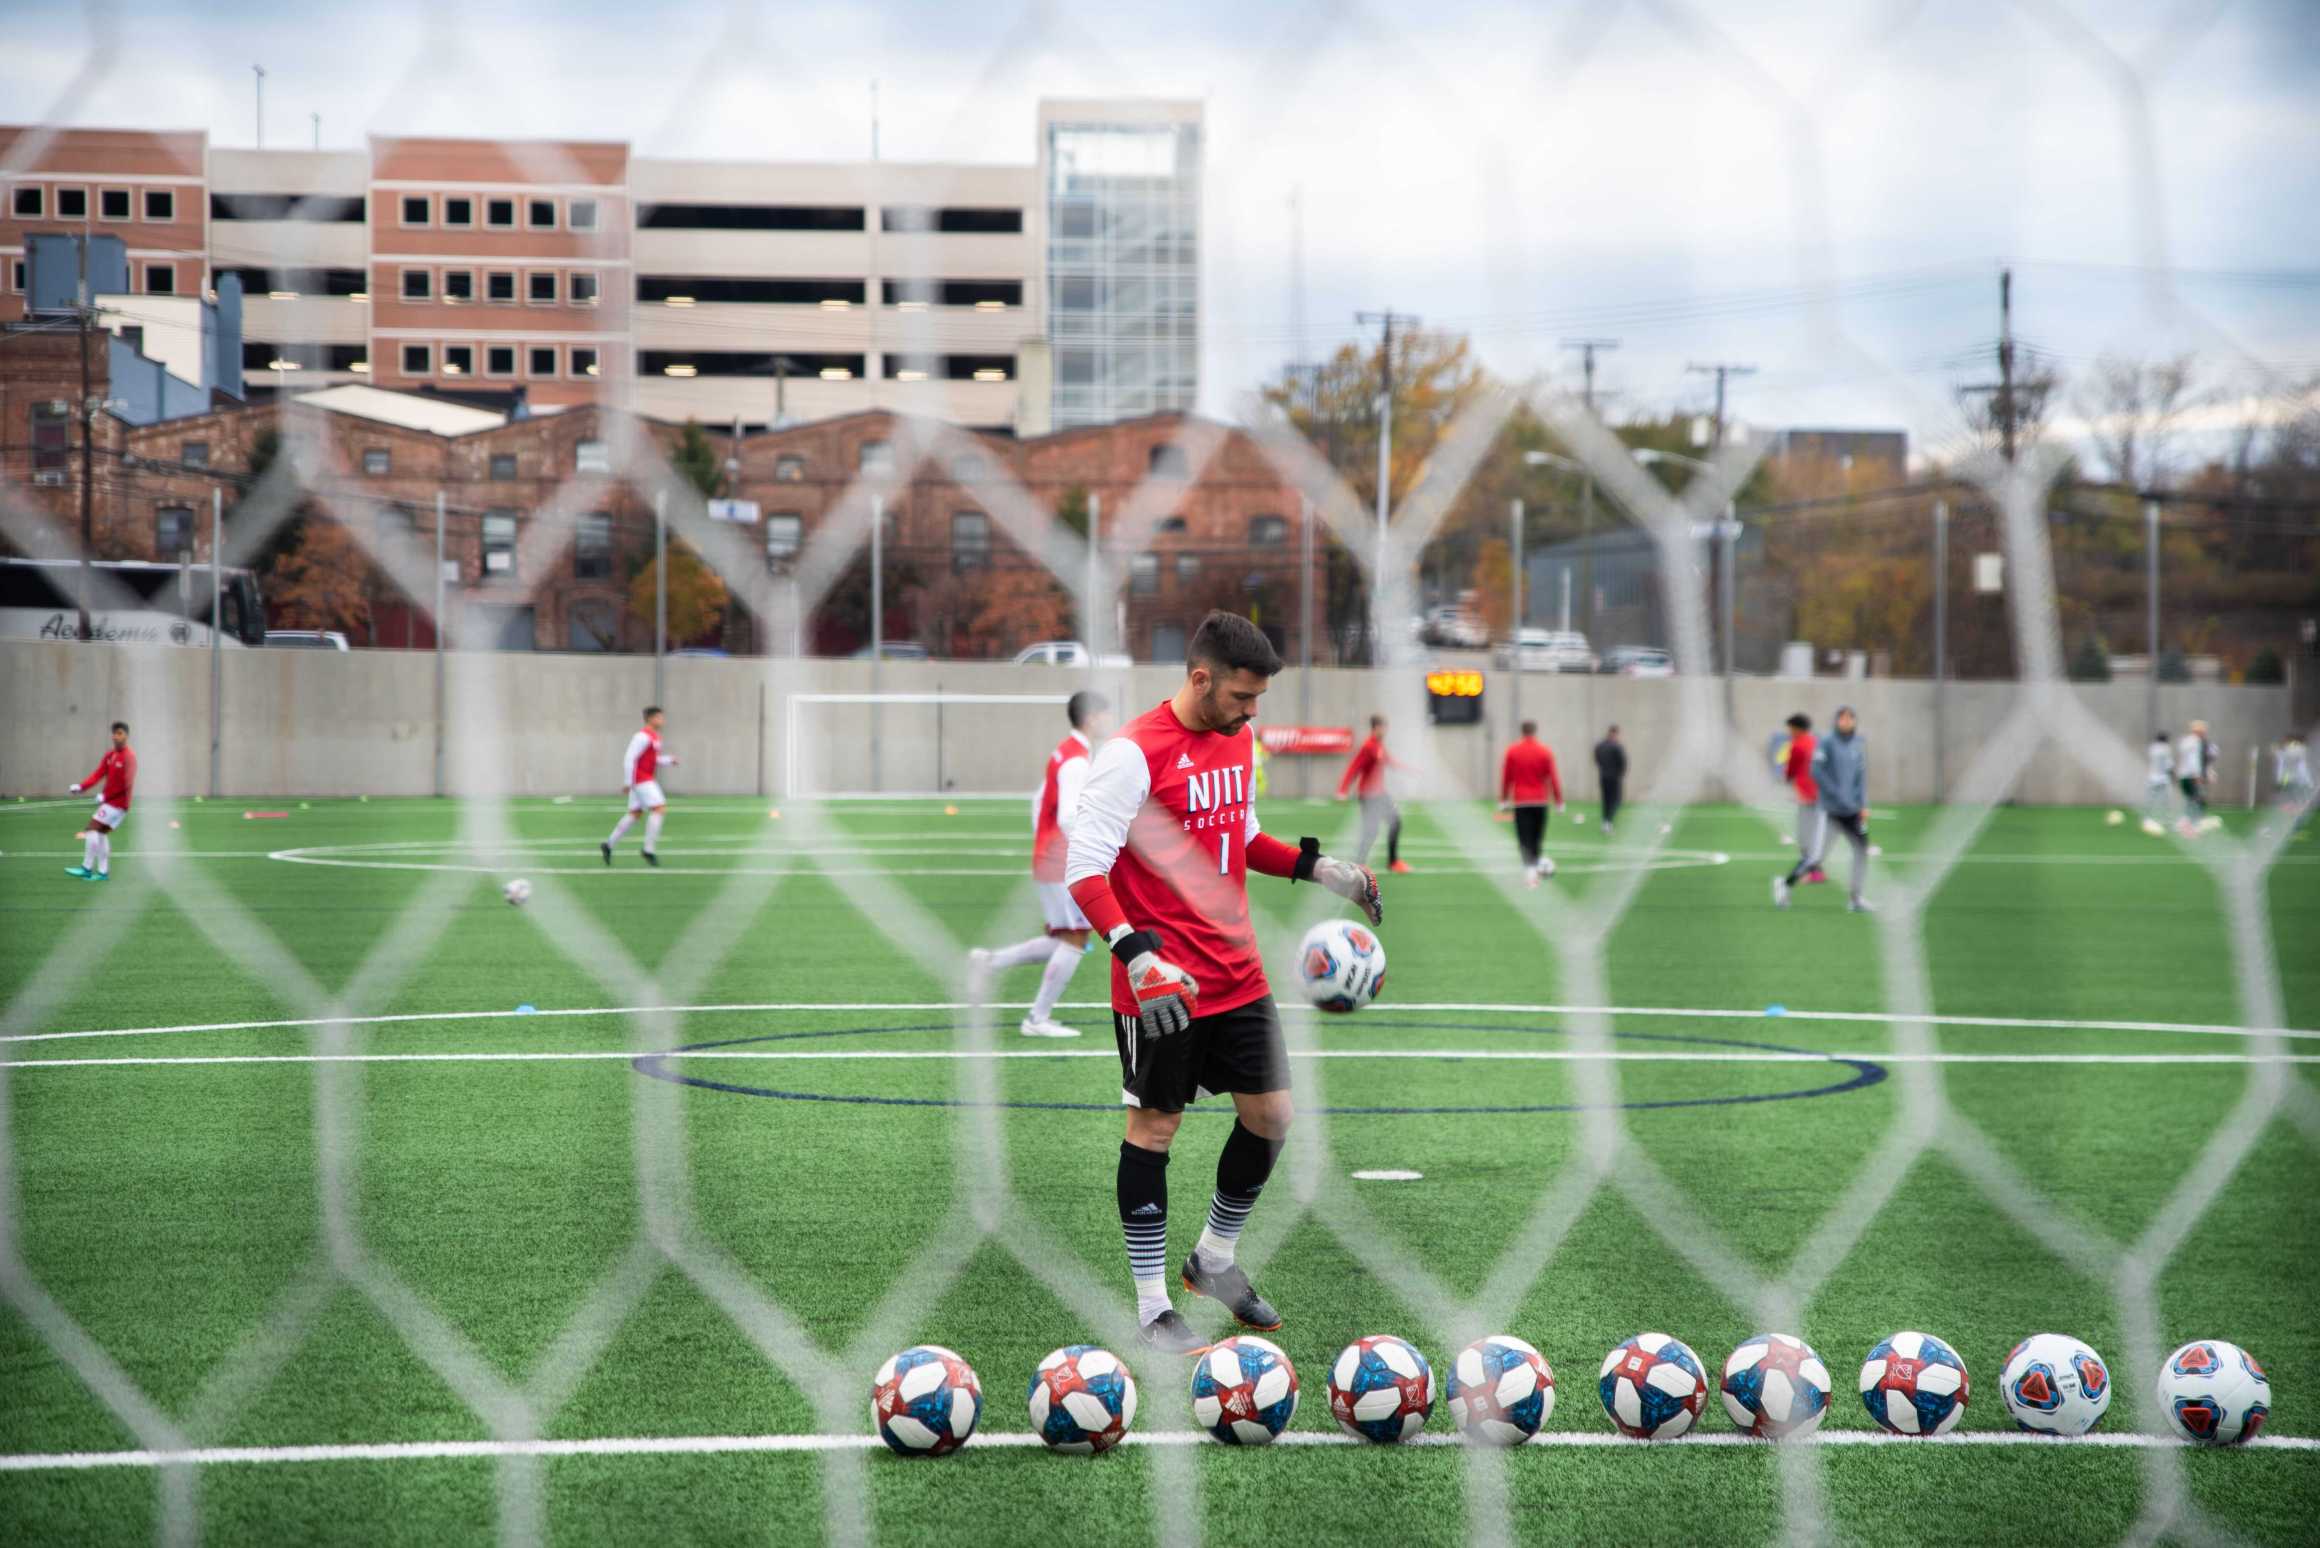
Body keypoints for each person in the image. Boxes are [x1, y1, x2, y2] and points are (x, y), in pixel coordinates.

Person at [1065, 611, 1382, 1353]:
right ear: (1201, 678)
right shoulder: (1132, 755)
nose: (1252, 713)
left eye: (1259, 698)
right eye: (1242, 696)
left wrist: (1317, 868)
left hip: (1238, 973)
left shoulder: (1237, 739)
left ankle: (1212, 1260)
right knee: (1155, 1129)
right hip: (1161, 986)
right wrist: (1137, 957)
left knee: (1272, 1116)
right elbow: (1084, 870)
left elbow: (1240, 835)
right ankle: (1152, 1310)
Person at [967, 691, 1116, 1038]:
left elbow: (1039, 803)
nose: (1110, 720)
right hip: (1061, 862)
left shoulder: (1064, 752)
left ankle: (988, 962)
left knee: (1064, 936)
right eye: (1106, 714)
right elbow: (1067, 816)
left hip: (1051, 858)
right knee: (1075, 939)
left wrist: (1044, 842)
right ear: (1092, 717)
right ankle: (1037, 1019)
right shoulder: (1076, 761)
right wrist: (1087, 853)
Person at [1774, 705, 1871, 912]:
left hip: (1852, 812)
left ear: (1854, 721)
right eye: (1842, 718)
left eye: (1849, 718)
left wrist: (1863, 804)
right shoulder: (1827, 742)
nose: (1846, 722)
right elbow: (1816, 770)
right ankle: (1785, 885)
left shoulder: (1857, 745)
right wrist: (1834, 794)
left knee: (1861, 850)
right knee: (1815, 857)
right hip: (1829, 811)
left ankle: (1855, 898)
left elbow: (1860, 778)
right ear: (1836, 721)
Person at [603, 706, 677, 866]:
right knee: (659, 808)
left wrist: (668, 760)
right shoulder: (642, 736)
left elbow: (652, 760)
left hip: (643, 779)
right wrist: (628, 781)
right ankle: (648, 850)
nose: (662, 720)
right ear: (650, 718)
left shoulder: (655, 737)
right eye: (659, 717)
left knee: (635, 814)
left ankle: (608, 844)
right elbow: (629, 758)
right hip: (642, 779)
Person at [1336, 714, 1409, 873]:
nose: (1385, 730)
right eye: (1383, 727)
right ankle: (1359, 863)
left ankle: (1393, 862)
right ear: (1375, 728)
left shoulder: (1379, 745)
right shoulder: (1368, 746)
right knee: (1371, 831)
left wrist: (1410, 770)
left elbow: (1390, 762)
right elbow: (1354, 768)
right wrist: (1342, 790)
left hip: (1380, 794)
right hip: (1368, 796)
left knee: (1395, 823)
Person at [65, 721, 136, 882]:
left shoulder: (129, 757)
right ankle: (103, 873)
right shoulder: (110, 755)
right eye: (114, 733)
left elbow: (126, 783)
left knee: (92, 829)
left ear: (126, 736)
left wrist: (105, 796)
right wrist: (81, 787)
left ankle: (86, 868)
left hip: (119, 804)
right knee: (100, 834)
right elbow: (98, 774)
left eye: (120, 733)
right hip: (111, 802)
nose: (116, 736)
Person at [1500, 721, 1565, 887]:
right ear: (1535, 732)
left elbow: (1507, 777)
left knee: (1524, 838)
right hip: (1540, 801)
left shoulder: (1512, 751)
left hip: (1521, 801)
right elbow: (1553, 777)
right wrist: (1559, 801)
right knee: (1537, 838)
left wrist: (1504, 799)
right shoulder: (1545, 751)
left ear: (1522, 732)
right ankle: (1533, 873)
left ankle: (1530, 874)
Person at [1780, 713, 1829, 885]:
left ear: (1797, 728)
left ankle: (1812, 872)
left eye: (1790, 728)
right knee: (1814, 834)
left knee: (1805, 837)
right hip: (1821, 793)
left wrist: (1787, 780)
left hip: (1806, 795)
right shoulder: (1816, 742)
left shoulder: (1797, 745)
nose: (1789, 732)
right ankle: (1816, 872)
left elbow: (1791, 770)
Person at [2175, 719, 2209, 831]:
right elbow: (2193, 760)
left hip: (2183, 775)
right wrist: (2197, 775)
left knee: (2189, 799)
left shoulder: (2186, 741)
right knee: (2196, 799)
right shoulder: (2196, 742)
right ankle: (2193, 823)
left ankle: (2185, 822)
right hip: (2191, 775)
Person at [1593, 725, 1627, 834]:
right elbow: (1623, 762)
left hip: (1603, 776)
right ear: (1615, 733)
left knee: (1606, 800)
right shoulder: (1617, 746)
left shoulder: (1600, 745)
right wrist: (1620, 773)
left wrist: (1603, 768)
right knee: (1616, 800)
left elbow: (1596, 758)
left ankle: (1605, 822)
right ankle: (1608, 821)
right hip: (1614, 777)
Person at [2143, 732, 2175, 832]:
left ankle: (2147, 818)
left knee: (2150, 799)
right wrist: (2173, 775)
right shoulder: (2166, 749)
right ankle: (2167, 818)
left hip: (2152, 777)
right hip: (2163, 778)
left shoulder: (2152, 748)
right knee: (2166, 800)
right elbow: (2169, 765)